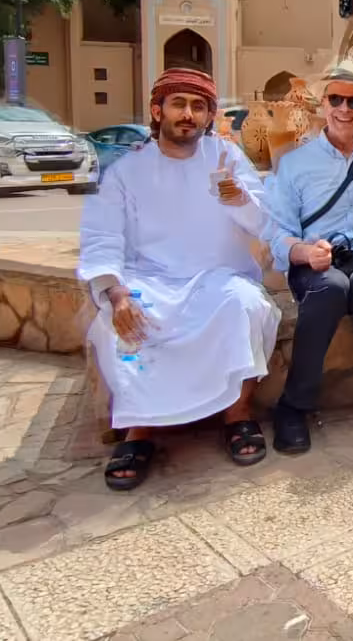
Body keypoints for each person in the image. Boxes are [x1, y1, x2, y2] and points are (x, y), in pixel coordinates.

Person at [77, 67, 280, 491]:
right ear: (158, 111)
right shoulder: (126, 171)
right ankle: (139, 430)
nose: (188, 114)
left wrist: (238, 198)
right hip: (149, 279)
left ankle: (238, 415)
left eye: (198, 106)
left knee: (245, 306)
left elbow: (264, 221)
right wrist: (116, 293)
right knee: (121, 323)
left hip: (215, 278)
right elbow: (102, 236)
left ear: (208, 115)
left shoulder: (226, 157)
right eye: (179, 104)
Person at [265, 59, 353, 453]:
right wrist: (305, 252)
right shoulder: (294, 164)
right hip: (315, 264)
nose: (344, 109)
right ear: (323, 104)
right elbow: (278, 233)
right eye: (336, 99)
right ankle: (293, 407)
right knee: (331, 288)